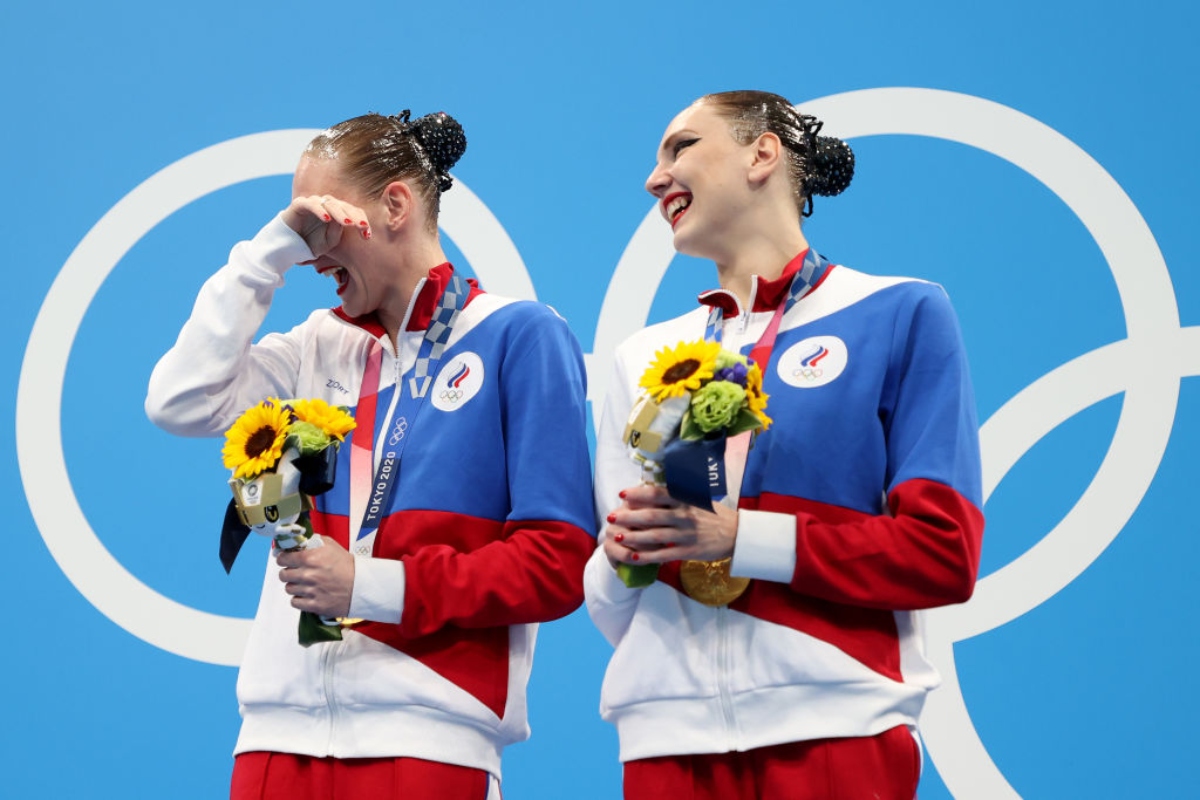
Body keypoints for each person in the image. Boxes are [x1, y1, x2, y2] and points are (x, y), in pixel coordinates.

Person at [145, 109, 596, 800]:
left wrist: (371, 587)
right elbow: (178, 401)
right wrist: (267, 253)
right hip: (274, 744)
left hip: (426, 743)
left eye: (325, 224)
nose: (315, 251)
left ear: (395, 205)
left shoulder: (519, 336)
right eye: (302, 228)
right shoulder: (316, 344)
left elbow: (558, 562)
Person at [585, 90, 984, 800]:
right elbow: (612, 603)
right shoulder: (644, 356)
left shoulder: (899, 313)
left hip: (836, 731)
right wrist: (622, 556)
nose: (654, 178)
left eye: (680, 148)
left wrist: (742, 539)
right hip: (664, 744)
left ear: (762, 153)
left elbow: (942, 552)